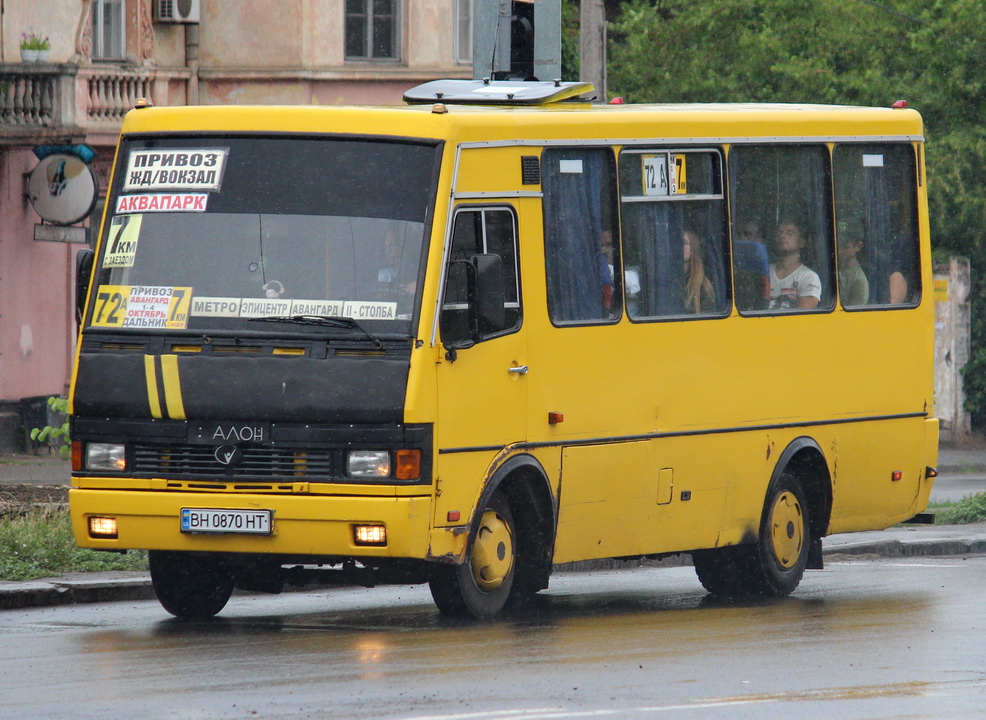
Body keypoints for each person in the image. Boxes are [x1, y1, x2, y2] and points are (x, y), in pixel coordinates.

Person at [769, 219, 821, 310]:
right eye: (779, 232)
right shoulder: (765, 271)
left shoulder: (809, 277)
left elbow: (802, 318)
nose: (782, 235)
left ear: (801, 242)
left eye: (790, 233)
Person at [683, 229, 716, 313]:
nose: (679, 246)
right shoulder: (669, 281)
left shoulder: (704, 286)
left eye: (684, 243)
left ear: (693, 250)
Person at [837, 225, 869, 306]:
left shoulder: (859, 280)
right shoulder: (831, 269)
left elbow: (854, 316)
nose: (839, 251)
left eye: (845, 247)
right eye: (838, 245)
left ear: (858, 246)